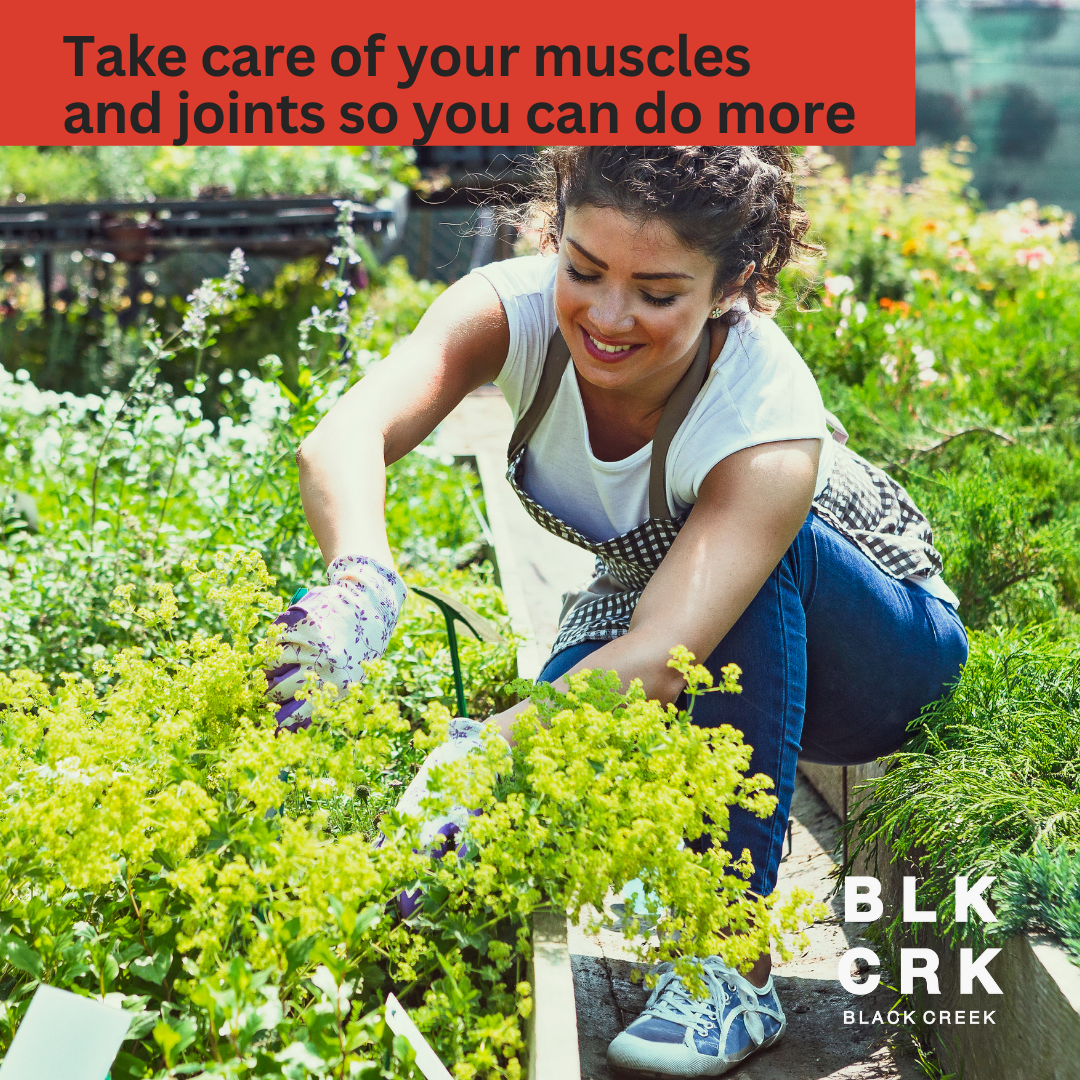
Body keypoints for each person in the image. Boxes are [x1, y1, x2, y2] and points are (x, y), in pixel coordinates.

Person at [267, 146, 969, 1079]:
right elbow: (344, 435)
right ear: (555, 239)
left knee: (572, 712)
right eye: (584, 271)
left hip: (880, 651)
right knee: (523, 792)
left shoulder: (762, 406)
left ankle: (731, 964)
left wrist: (482, 750)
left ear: (734, 285)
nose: (606, 315)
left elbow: (664, 658)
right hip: (668, 604)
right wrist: (361, 578)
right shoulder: (507, 313)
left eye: (657, 292)